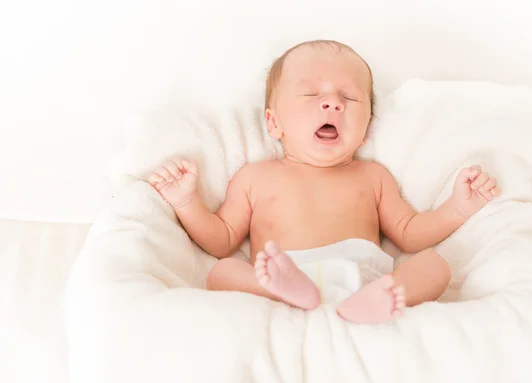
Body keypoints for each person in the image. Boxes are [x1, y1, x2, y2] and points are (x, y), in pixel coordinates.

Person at [148, 40, 500, 324]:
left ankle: (381, 301)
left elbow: (409, 231)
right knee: (223, 272)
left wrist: (457, 208)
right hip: (282, 272)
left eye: (348, 98)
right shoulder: (256, 177)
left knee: (434, 265)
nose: (332, 103)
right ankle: (285, 292)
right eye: (311, 95)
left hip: (365, 281)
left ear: (365, 131)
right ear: (274, 123)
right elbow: (222, 240)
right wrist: (186, 203)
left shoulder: (372, 176)